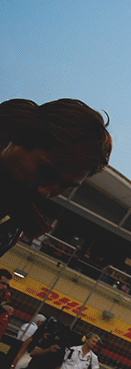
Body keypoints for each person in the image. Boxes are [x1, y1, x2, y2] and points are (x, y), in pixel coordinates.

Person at [0, 98, 112, 256]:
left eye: (65, 185)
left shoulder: (14, 225)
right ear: (16, 139)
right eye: (45, 171)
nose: (45, 192)